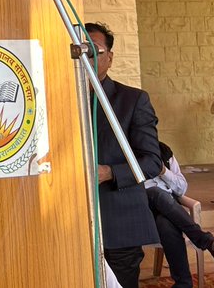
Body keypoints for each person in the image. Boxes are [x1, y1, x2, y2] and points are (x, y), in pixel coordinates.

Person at [86, 22, 163, 288]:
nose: (85, 57)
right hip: (67, 222)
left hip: (118, 220)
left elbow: (151, 162)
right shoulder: (54, 99)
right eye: (78, 50)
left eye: (93, 50)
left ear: (109, 57)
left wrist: (108, 172)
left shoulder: (132, 100)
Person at [146, 141, 214, 288]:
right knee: (156, 193)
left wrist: (163, 171)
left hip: (169, 210)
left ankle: (184, 284)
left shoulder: (163, 151)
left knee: (166, 225)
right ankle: (209, 242)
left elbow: (181, 188)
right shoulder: (125, 153)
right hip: (141, 210)